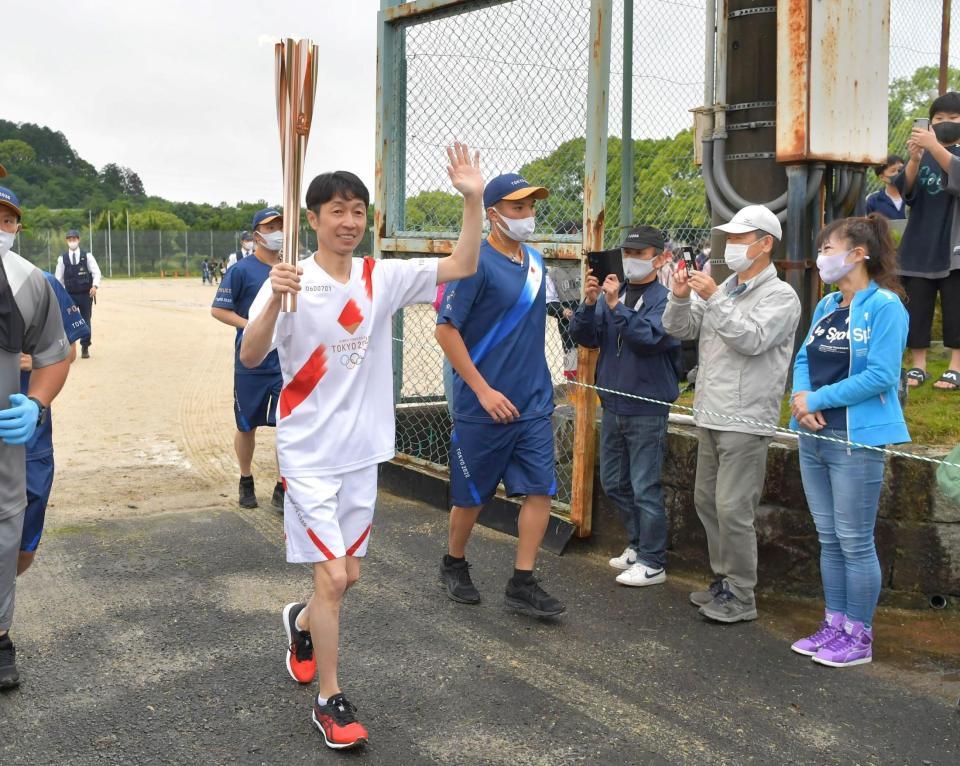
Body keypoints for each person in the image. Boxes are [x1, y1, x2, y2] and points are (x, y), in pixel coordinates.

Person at [240, 144, 483, 751]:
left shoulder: (381, 277)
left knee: (347, 577)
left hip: (362, 452)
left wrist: (474, 199)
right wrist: (272, 297)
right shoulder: (290, 281)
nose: (348, 221)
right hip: (308, 453)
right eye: (336, 210)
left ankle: (300, 624)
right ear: (313, 217)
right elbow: (250, 355)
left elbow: (462, 264)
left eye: (357, 210)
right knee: (332, 576)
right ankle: (329, 699)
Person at [436, 172, 566, 619]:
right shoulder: (471, 263)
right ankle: (454, 562)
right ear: (492, 214)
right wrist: (482, 389)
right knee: (472, 496)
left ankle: (522, 582)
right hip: (483, 404)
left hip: (532, 401)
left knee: (540, 491)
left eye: (530, 207)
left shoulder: (535, 262)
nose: (527, 215)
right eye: (516, 207)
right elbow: (445, 330)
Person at [662, 204, 801, 623]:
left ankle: (742, 594)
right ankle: (723, 581)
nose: (732, 245)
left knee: (733, 507)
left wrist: (714, 297)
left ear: (765, 244)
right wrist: (681, 295)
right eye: (731, 237)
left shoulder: (780, 296)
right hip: (711, 412)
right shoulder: (729, 288)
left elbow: (752, 339)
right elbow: (679, 328)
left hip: (745, 417)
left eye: (741, 238)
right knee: (708, 500)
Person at [789, 214, 909, 667]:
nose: (820, 258)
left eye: (827, 249)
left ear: (858, 254)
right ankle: (834, 624)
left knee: (854, 540)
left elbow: (881, 376)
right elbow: (804, 357)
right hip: (814, 435)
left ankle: (859, 637)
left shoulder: (887, 307)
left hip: (855, 440)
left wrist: (818, 397)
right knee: (829, 538)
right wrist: (803, 401)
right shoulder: (827, 306)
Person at [569, 225, 680, 586]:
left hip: (647, 407)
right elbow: (585, 338)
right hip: (613, 403)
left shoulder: (667, 300)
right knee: (615, 482)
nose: (632, 261)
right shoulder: (609, 296)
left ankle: (654, 560)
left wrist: (616, 306)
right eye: (627, 254)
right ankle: (637, 544)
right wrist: (588, 304)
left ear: (660, 258)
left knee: (645, 485)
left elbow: (649, 338)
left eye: (641, 254)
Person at [0, 185, 71, 689]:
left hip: (12, 445)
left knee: (13, 541)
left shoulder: (30, 282)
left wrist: (36, 403)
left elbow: (55, 353)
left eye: (6, 219)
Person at [211, 208, 286, 510]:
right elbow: (219, 309)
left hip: (284, 361)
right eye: (271, 227)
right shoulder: (241, 270)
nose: (277, 232)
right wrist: (251, 327)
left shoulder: (290, 268)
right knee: (246, 425)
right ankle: (246, 479)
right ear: (257, 236)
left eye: (280, 226)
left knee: (288, 424)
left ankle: (283, 485)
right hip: (251, 362)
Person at [18, 274, 89, 576]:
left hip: (27, 436)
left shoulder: (40, 282)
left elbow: (67, 352)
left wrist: (33, 360)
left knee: (23, 545)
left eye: (9, 222)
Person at [895, 91, 960, 390]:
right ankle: (917, 364)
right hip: (919, 245)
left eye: (953, 118)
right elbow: (906, 192)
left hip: (953, 248)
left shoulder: (951, 154)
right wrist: (914, 159)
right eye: (939, 118)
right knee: (916, 308)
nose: (945, 123)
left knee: (955, 307)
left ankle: (955, 367)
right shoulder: (924, 154)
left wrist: (935, 147)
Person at [54, 228, 100, 359]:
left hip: (86, 295)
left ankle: (85, 347)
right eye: (69, 239)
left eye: (74, 239)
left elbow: (96, 272)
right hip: (70, 296)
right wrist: (61, 294)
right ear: (66, 241)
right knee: (69, 321)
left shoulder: (87, 256)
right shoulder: (62, 259)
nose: (72, 241)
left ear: (78, 240)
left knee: (86, 321)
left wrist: (95, 286)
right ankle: (69, 347)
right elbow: (58, 279)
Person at [545, 265, 579, 381]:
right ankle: (572, 393)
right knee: (572, 369)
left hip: (591, 327)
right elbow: (549, 302)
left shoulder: (587, 265)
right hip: (568, 329)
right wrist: (563, 311)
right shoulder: (552, 273)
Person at [864, 155, 906, 220]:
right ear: (882, 177)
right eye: (893, 171)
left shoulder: (914, 195)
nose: (899, 173)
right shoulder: (873, 200)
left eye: (901, 170)